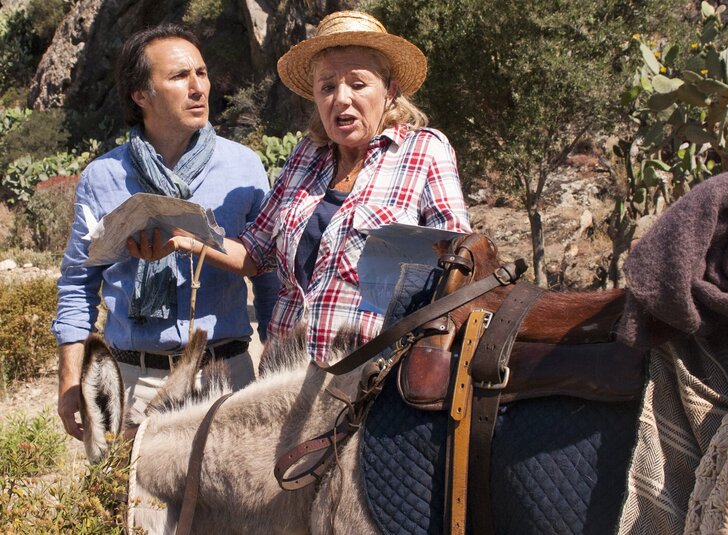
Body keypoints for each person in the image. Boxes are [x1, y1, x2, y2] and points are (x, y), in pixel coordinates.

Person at [130, 11, 472, 362]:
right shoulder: (306, 156)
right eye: (327, 86)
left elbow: (459, 265)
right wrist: (187, 237)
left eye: (358, 84)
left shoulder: (424, 150)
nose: (341, 98)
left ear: (390, 91)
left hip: (369, 377)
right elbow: (253, 253)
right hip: (286, 373)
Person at [54, 24, 279, 439]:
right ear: (141, 95)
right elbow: (77, 284)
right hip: (133, 383)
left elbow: (269, 276)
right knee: (128, 483)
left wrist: (275, 361)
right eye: (179, 76)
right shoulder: (103, 177)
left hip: (226, 379)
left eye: (202, 73)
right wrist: (70, 381)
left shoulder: (243, 167)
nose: (198, 88)